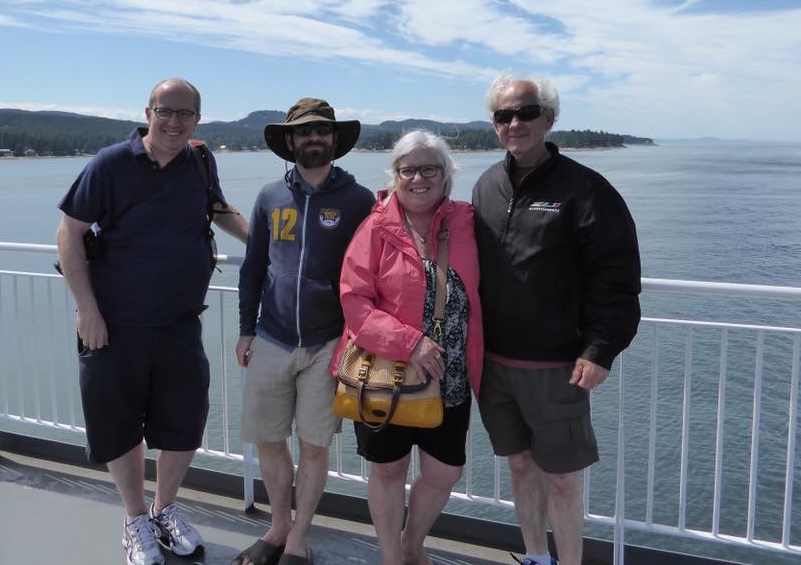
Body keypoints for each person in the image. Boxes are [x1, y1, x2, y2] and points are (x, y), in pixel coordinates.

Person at [56, 77, 248, 565]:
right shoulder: (110, 164)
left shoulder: (200, 160)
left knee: (184, 422)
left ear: (198, 120)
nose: (175, 122)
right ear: (148, 114)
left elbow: (217, 208)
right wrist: (87, 310)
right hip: (114, 323)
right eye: (166, 112)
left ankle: (165, 509)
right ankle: (135, 517)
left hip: (180, 322)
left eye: (186, 114)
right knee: (119, 425)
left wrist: (265, 244)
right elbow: (69, 233)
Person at [472, 74, 641, 565]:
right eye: (504, 115)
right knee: (520, 467)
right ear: (495, 124)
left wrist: (600, 348)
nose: (515, 123)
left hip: (557, 367)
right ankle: (535, 557)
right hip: (495, 364)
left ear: (548, 118)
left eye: (526, 112)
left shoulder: (585, 189)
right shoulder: (486, 186)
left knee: (563, 479)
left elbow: (617, 277)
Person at [332, 129, 483, 565]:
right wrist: (409, 343)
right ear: (394, 175)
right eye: (408, 170)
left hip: (450, 374)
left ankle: (412, 543)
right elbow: (354, 300)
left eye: (429, 169)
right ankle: (392, 557)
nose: (418, 179)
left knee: (444, 471)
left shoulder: (467, 221)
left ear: (446, 174)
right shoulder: (375, 227)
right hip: (385, 374)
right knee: (388, 469)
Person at [234, 98, 375, 565]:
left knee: (314, 445)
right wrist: (246, 330)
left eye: (322, 131)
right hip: (271, 337)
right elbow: (254, 267)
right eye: (304, 131)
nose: (314, 138)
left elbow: (371, 272)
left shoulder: (358, 200)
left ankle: (299, 538)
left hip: (329, 343)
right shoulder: (269, 196)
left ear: (334, 139)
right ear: (290, 141)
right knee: (269, 440)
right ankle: (278, 527)